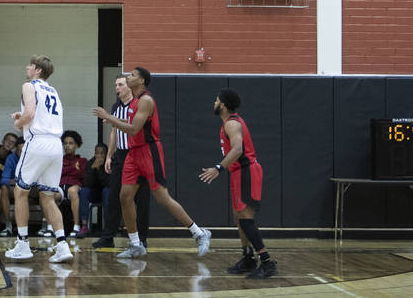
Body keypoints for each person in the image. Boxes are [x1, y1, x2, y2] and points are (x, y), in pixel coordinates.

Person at [93, 66, 212, 259]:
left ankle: (199, 233)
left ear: (141, 81)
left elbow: (133, 129)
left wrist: (109, 117)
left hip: (149, 151)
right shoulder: (132, 102)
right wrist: (113, 121)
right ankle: (135, 244)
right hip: (133, 153)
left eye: (131, 75)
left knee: (162, 198)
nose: (127, 77)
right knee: (125, 196)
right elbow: (127, 130)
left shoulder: (146, 100)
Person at [198, 89, 277, 279]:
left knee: (245, 218)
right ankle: (248, 258)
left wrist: (218, 168)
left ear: (223, 105)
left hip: (247, 171)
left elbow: (237, 150)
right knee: (238, 218)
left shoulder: (232, 123)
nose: (214, 103)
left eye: (216, 101)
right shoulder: (229, 123)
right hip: (239, 172)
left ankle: (267, 262)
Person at [5, 55, 74, 263]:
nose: (27, 67)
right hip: (55, 145)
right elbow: (40, 114)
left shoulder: (29, 85)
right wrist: (25, 118)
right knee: (48, 195)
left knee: (20, 191)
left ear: (38, 70)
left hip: (37, 143)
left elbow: (30, 114)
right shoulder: (53, 91)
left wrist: (19, 124)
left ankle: (23, 243)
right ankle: (62, 246)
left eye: (30, 65)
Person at [92, 74, 150, 250]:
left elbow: (133, 127)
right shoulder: (116, 106)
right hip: (121, 156)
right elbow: (114, 132)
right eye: (116, 85)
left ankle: (141, 239)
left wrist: (108, 117)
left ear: (129, 86)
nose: (117, 88)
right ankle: (108, 236)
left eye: (121, 84)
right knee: (114, 196)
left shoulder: (139, 104)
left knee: (141, 199)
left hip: (139, 155)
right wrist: (109, 155)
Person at [79, 142, 110, 237]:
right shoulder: (90, 163)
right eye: (97, 153)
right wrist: (93, 169)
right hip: (95, 193)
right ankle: (84, 225)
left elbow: (108, 183)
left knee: (107, 191)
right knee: (84, 191)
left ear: (106, 154)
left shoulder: (110, 163)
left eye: (102, 153)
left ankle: (108, 227)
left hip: (107, 193)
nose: (99, 155)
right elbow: (87, 183)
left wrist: (100, 170)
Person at [60, 130, 87, 237]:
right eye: (65, 143)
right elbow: (58, 173)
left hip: (75, 186)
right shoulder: (59, 160)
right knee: (49, 193)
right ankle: (50, 227)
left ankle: (76, 226)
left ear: (77, 145)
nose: (67, 146)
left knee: (72, 191)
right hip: (60, 187)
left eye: (71, 143)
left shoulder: (82, 161)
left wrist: (67, 169)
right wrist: (73, 168)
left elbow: (81, 174)